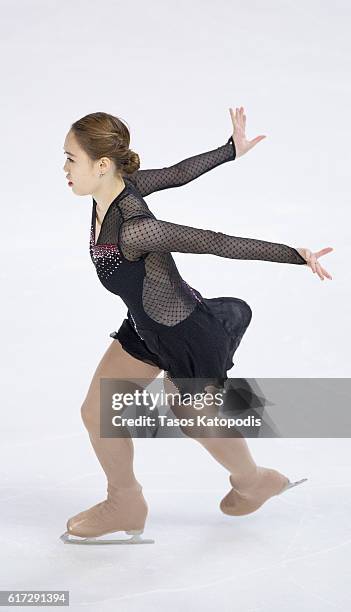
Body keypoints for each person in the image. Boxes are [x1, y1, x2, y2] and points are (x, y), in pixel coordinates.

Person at [60, 108, 332, 545]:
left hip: (185, 334)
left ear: (102, 165)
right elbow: (177, 173)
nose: (65, 169)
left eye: (71, 158)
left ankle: (254, 480)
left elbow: (218, 242)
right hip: (146, 325)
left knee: (193, 419)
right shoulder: (110, 192)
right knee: (95, 410)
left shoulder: (136, 229)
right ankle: (125, 501)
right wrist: (230, 150)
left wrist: (294, 255)